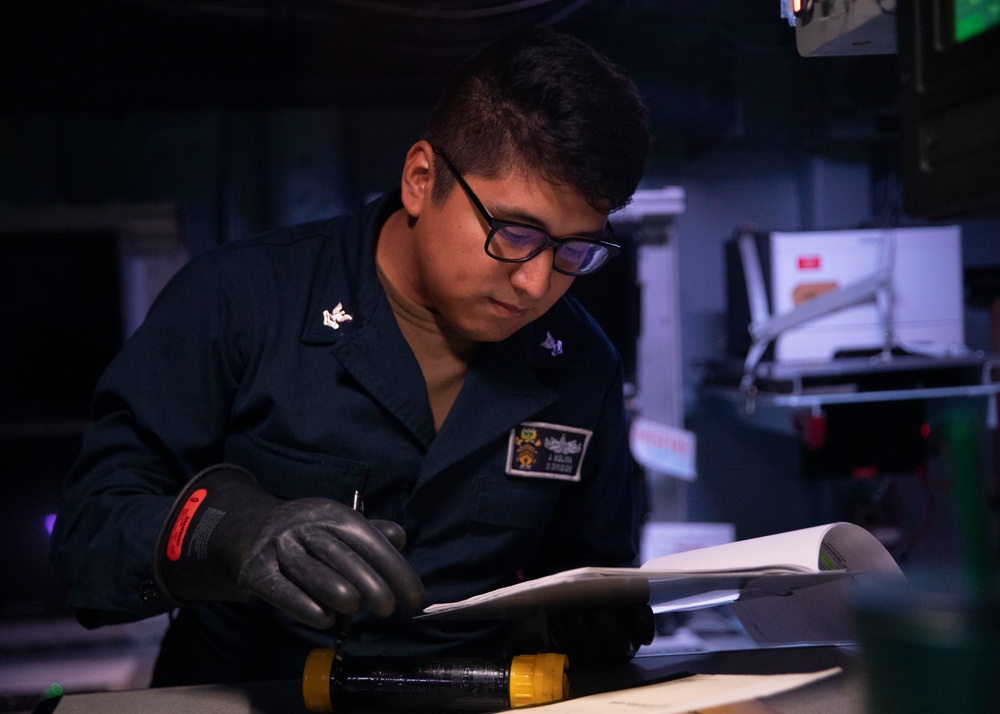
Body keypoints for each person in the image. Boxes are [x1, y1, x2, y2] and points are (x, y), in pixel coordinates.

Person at [50, 26, 653, 686]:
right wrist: (227, 536)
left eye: (575, 250)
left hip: (471, 696)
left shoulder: (581, 364)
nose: (537, 283)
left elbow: (586, 573)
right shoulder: (240, 301)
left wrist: (594, 620)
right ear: (421, 179)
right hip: (253, 694)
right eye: (513, 233)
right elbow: (89, 534)